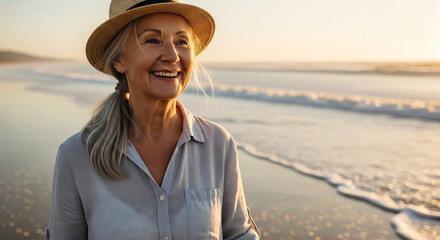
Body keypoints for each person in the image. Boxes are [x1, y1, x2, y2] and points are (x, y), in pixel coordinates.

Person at [46, 0, 260, 239]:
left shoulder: (218, 144)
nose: (171, 56)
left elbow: (239, 234)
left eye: (181, 41)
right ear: (119, 60)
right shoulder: (76, 155)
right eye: (152, 40)